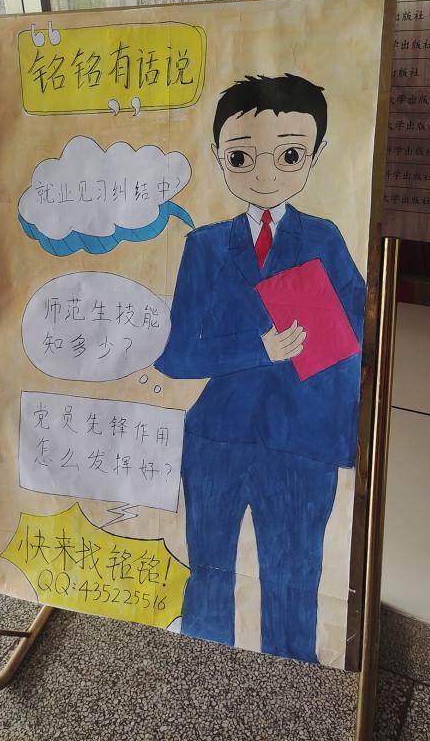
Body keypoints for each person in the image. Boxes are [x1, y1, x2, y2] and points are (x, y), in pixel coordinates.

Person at [155, 74, 366, 662]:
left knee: (294, 580)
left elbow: (359, 333)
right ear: (219, 155)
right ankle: (200, 673)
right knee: (209, 574)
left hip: (300, 444)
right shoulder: (205, 246)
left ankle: (292, 681)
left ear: (315, 154)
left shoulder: (323, 238)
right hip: (217, 438)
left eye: (290, 155)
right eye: (243, 157)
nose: (266, 174)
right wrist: (259, 347)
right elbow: (176, 355)